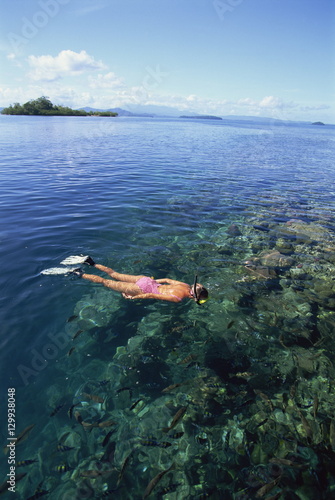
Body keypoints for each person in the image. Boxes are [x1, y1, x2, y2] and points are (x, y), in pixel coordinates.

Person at [42, 255, 209, 304]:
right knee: (106, 282)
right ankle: (79, 273)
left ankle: (90, 262)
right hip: (145, 289)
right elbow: (152, 296)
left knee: (113, 273)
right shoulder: (178, 298)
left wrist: (151, 281)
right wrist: (134, 297)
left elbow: (165, 279)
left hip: (147, 281)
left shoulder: (184, 284)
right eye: (199, 301)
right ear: (194, 297)